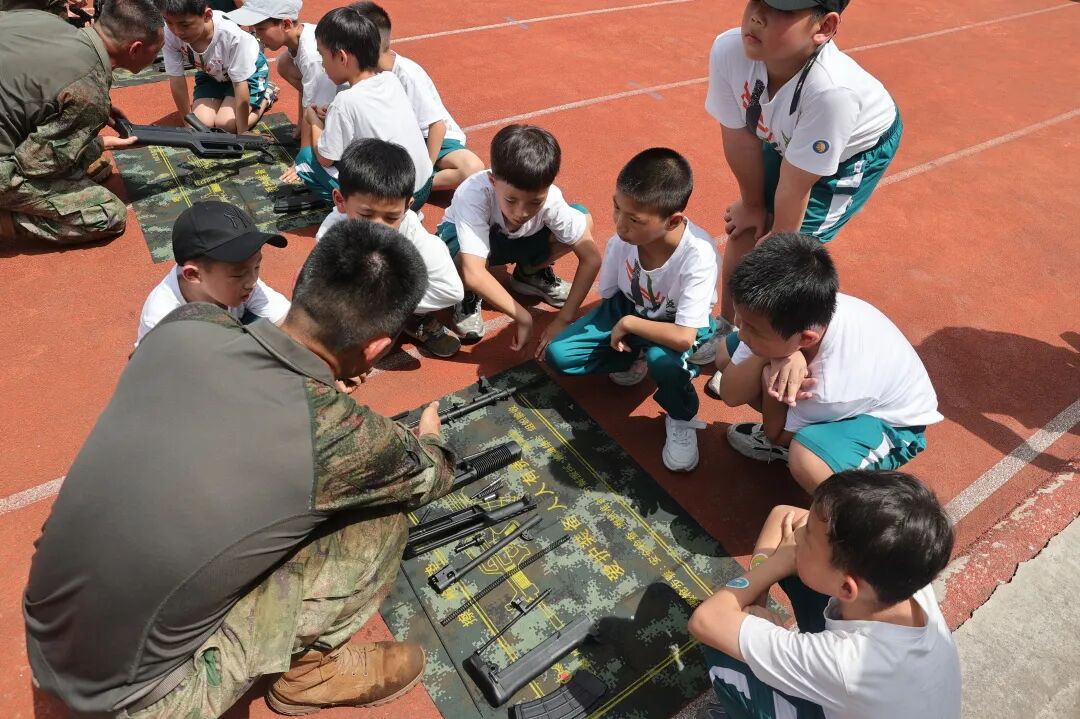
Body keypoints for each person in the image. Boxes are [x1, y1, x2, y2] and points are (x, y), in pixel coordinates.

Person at [24, 215, 458, 717]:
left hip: (46, 625)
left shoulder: (186, 323)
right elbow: (432, 474)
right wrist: (429, 437)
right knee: (381, 519)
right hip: (143, 702)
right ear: (377, 348)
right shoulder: (341, 433)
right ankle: (306, 675)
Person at [688, 469, 961, 719]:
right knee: (794, 568)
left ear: (847, 588)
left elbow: (706, 620)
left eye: (808, 537)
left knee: (724, 649)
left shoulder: (848, 664)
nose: (799, 536)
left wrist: (773, 566)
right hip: (861, 696)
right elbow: (783, 516)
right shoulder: (899, 567)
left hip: (848, 682)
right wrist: (759, 600)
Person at [705, 0, 902, 324]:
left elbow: (795, 186)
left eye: (781, 9)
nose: (757, 15)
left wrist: (781, 241)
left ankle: (755, 342)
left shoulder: (832, 94)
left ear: (824, 27)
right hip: (793, 131)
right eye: (757, 0)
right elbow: (740, 138)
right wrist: (752, 204)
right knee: (748, 226)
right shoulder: (729, 49)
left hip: (851, 152)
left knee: (785, 257)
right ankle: (726, 329)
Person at [711, 233, 942, 492]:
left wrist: (768, 379)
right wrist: (778, 355)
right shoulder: (793, 312)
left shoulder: (829, 386)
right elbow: (730, 393)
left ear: (805, 338)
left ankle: (850, 495)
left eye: (752, 328)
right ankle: (810, 427)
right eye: (740, 319)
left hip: (894, 423)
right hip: (817, 355)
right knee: (726, 354)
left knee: (805, 459)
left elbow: (776, 434)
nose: (742, 333)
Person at [545, 148, 719, 472]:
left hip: (676, 323)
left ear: (673, 220)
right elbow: (610, 297)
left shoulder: (698, 256)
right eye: (617, 207)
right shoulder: (621, 242)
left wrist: (630, 325)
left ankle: (681, 415)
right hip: (631, 308)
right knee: (559, 355)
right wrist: (613, 325)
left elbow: (682, 335)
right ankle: (634, 356)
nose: (620, 224)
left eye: (634, 219)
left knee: (664, 361)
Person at [0, 0, 164, 244]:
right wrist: (98, 143)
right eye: (156, 50)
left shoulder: (46, 20)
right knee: (108, 215)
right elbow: (35, 166)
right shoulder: (89, 95)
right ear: (135, 49)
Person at [436, 124, 600, 349]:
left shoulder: (551, 199)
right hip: (476, 244)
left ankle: (530, 272)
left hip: (514, 241)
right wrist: (523, 316)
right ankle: (468, 295)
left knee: (583, 220)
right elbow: (474, 272)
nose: (521, 212)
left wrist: (564, 319)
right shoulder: (474, 193)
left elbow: (591, 258)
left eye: (535, 202)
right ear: (493, 182)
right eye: (511, 200)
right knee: (456, 257)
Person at [316, 139, 464, 358]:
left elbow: (451, 290)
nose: (378, 227)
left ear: (407, 207)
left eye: (391, 217)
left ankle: (408, 317)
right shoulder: (329, 235)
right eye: (366, 214)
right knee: (365, 351)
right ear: (340, 201)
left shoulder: (413, 231)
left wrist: (390, 305)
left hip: (389, 293)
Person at [291, 7, 433, 209]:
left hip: (392, 201)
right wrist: (332, 114)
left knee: (305, 161)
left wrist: (314, 122)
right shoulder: (390, 79)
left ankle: (356, 212)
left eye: (323, 56)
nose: (322, 65)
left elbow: (324, 159)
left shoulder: (345, 101)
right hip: (424, 187)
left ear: (342, 57)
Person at [351, 1, 485, 192]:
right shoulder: (355, 70)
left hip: (430, 139)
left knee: (473, 168)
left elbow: (437, 126)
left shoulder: (408, 74)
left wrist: (425, 172)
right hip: (397, 138)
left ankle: (413, 185)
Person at [135, 201, 290, 346]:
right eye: (238, 274)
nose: (252, 282)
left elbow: (289, 322)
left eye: (256, 267)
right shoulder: (162, 323)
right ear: (193, 274)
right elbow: (147, 364)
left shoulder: (242, 279)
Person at [227, 0, 339, 148]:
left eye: (260, 29)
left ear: (286, 24)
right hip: (328, 95)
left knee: (317, 137)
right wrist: (301, 124)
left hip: (347, 108)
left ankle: (329, 128)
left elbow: (311, 107)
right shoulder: (302, 35)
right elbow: (308, 93)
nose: (257, 36)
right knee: (284, 63)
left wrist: (304, 154)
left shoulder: (311, 57)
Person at [161, 0, 275, 133]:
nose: (177, 31)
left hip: (248, 74)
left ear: (207, 15)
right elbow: (176, 79)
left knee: (227, 125)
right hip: (212, 73)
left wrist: (243, 132)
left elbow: (240, 84)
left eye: (185, 25)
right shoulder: (168, 33)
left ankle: (266, 96)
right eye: (169, 23)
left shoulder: (230, 34)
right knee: (200, 125)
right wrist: (188, 124)